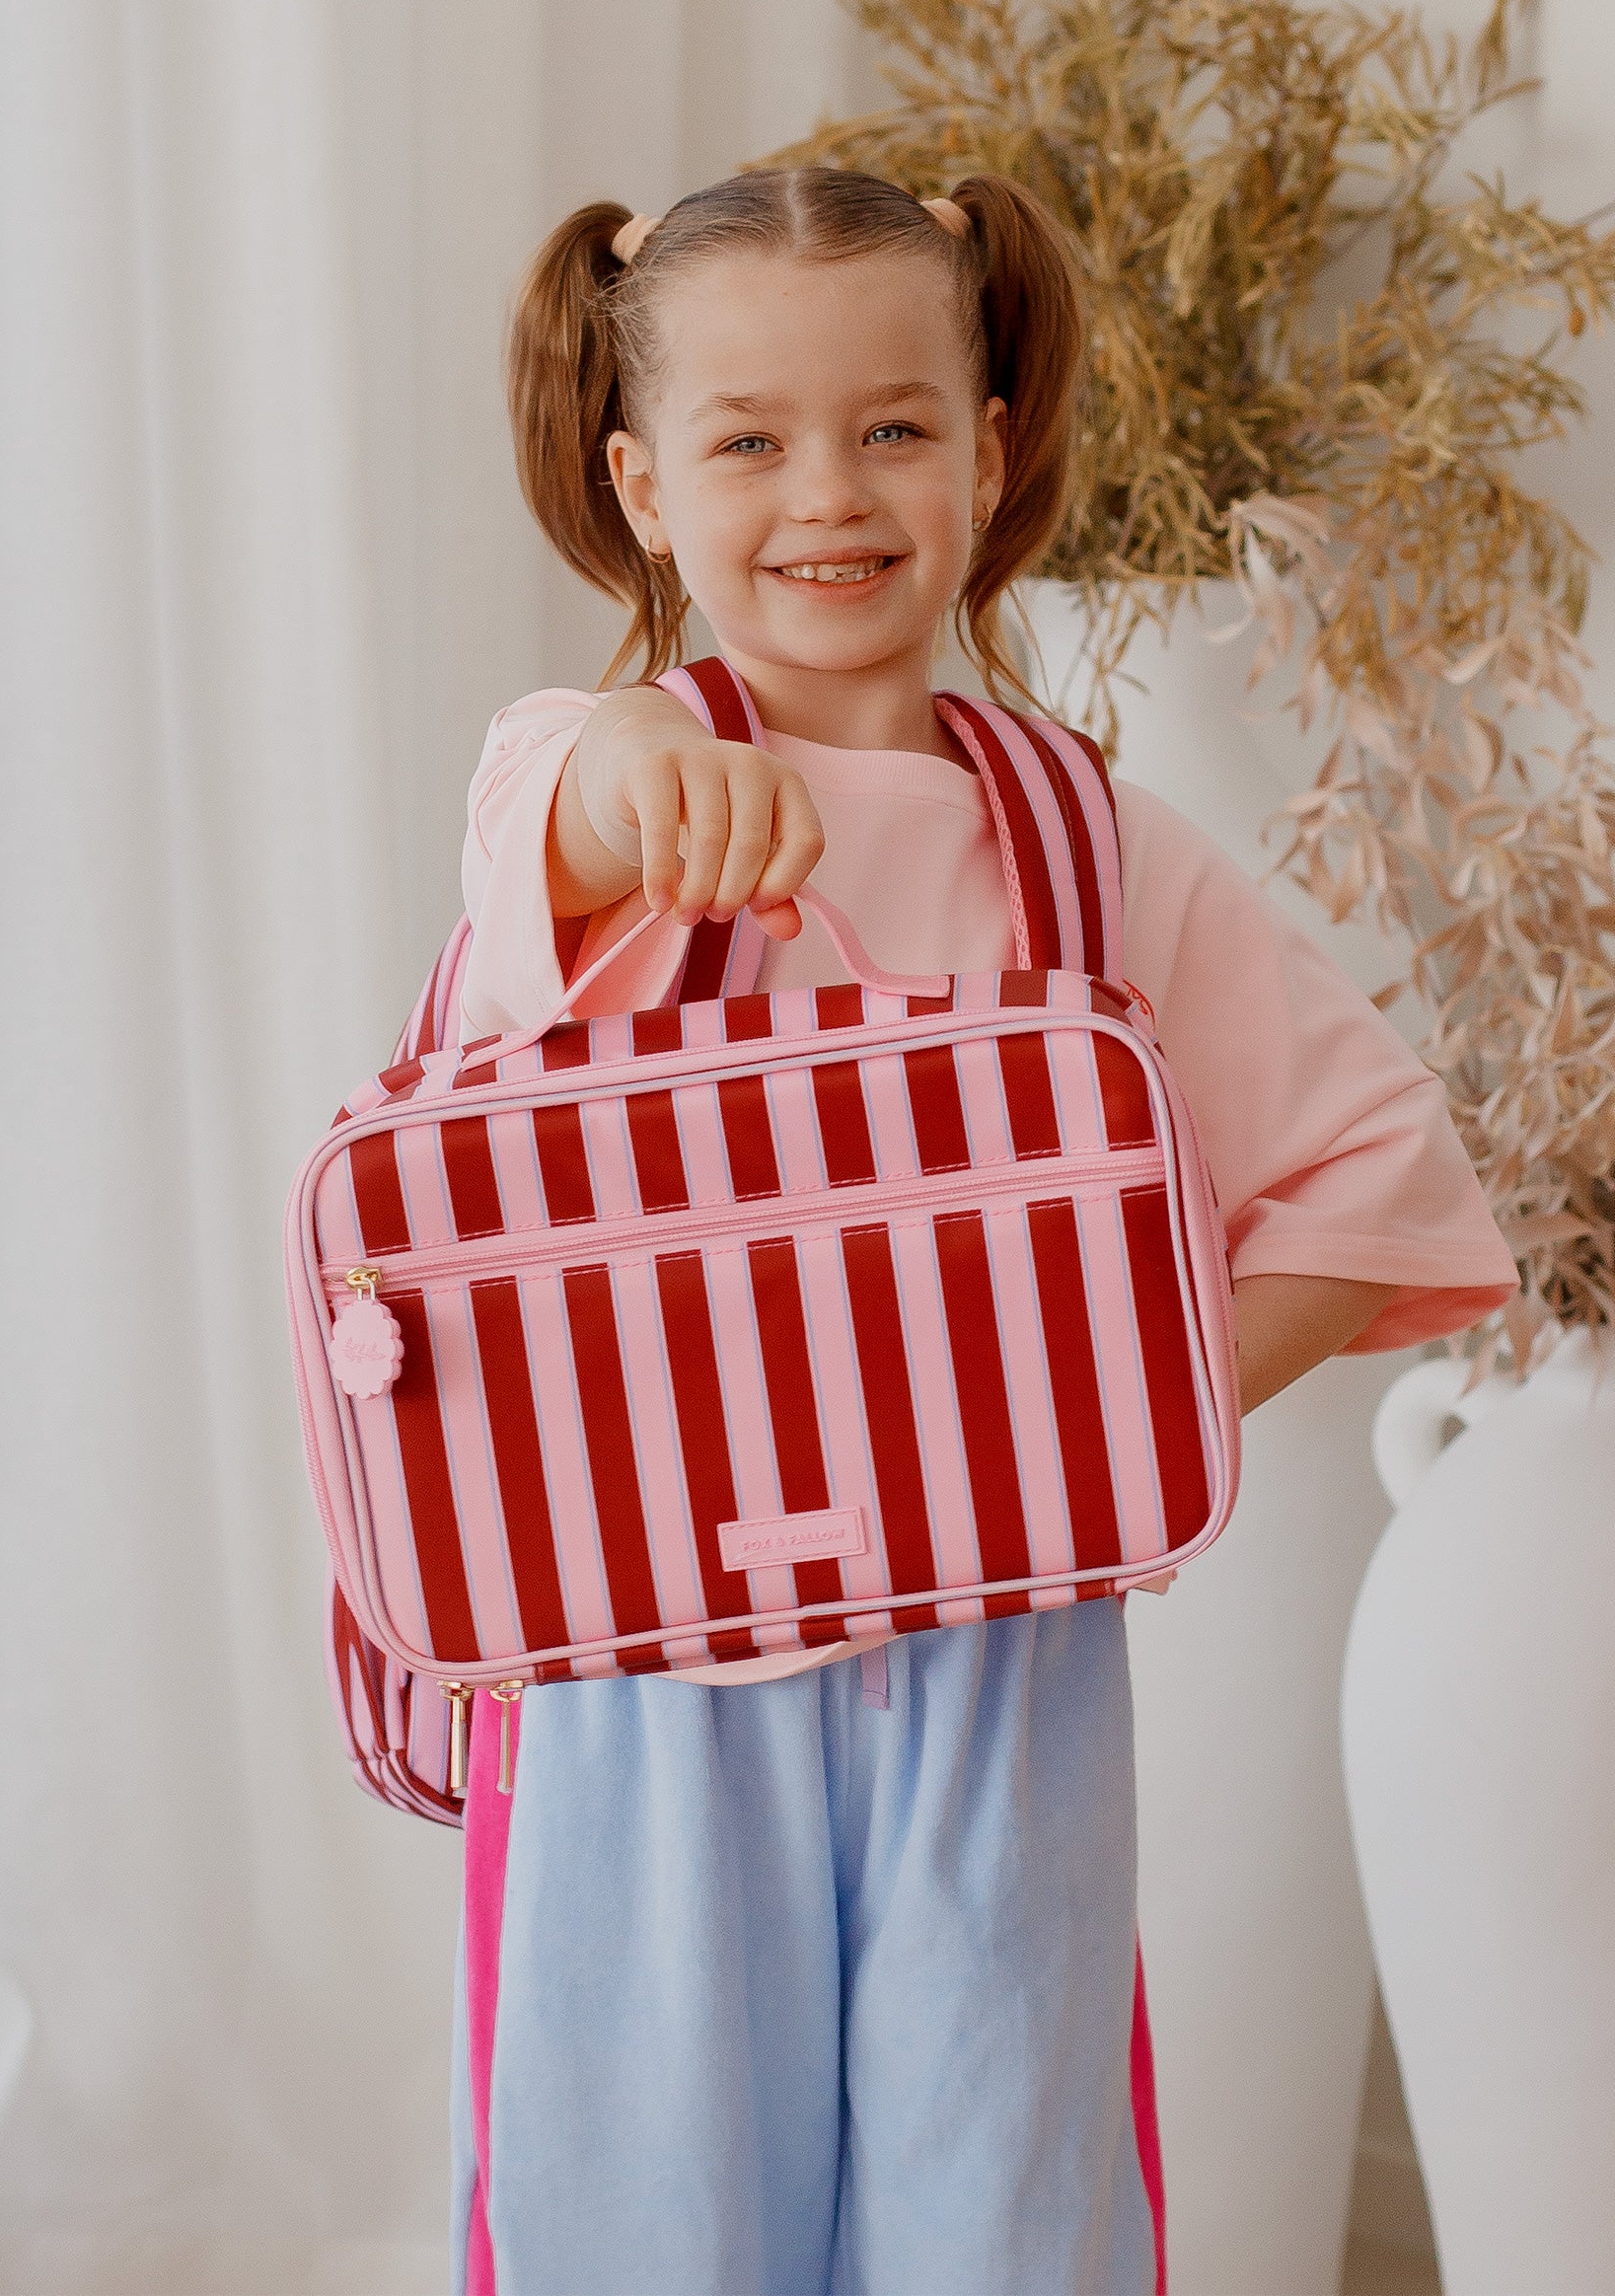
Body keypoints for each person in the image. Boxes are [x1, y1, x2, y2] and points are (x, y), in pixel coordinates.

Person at [444, 165, 1516, 2296]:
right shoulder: (580, 773)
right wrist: (641, 748)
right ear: (640, 485)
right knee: (644, 2195)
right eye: (747, 441)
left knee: (1002, 2182)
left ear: (989, 450)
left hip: (989, 1655)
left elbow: (1377, 1165)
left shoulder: (1083, 840)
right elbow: (563, 815)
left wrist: (1106, 1428)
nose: (826, 492)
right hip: (645, 1668)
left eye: (892, 426)